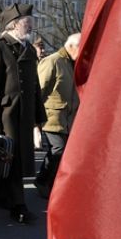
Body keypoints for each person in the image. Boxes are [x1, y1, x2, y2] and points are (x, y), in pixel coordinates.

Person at [0, 3, 46, 223]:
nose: (31, 26)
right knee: (12, 159)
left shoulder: (27, 48)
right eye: (27, 23)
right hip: (6, 114)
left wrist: (39, 116)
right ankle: (18, 205)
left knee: (17, 159)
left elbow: (34, 85)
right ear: (14, 24)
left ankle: (2, 197)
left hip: (25, 113)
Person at [34, 33, 81, 198]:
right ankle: (42, 181)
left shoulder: (73, 63)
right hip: (52, 117)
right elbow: (39, 90)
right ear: (72, 47)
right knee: (58, 150)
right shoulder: (53, 61)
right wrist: (36, 120)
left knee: (65, 153)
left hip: (69, 118)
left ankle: (53, 183)